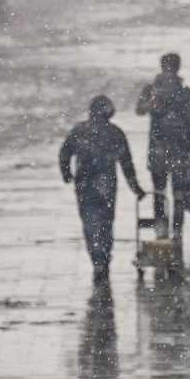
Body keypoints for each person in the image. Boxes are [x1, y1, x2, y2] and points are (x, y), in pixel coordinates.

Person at [58, 95, 144, 276]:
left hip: (84, 183)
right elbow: (126, 164)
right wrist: (136, 188)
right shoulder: (116, 133)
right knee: (106, 221)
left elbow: (64, 152)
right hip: (106, 185)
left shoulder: (79, 131)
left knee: (89, 221)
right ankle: (104, 255)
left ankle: (96, 257)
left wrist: (66, 174)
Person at [134, 51, 190, 209]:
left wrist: (150, 103)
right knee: (178, 194)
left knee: (159, 192)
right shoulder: (185, 92)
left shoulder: (152, 89)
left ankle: (161, 228)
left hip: (158, 148)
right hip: (180, 149)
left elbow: (139, 110)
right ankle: (176, 231)